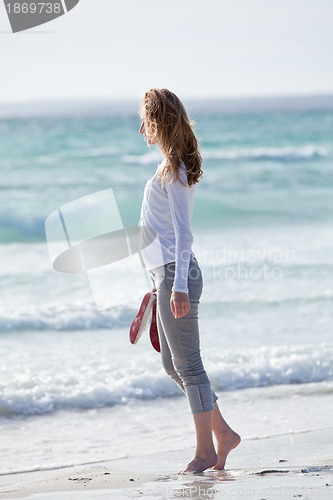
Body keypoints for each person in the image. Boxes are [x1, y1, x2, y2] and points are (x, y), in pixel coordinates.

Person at [138, 88, 240, 474]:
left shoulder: (175, 169)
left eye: (144, 119)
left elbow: (183, 234)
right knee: (172, 365)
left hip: (177, 276)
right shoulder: (168, 166)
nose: (141, 128)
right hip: (164, 277)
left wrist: (177, 285)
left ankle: (206, 452)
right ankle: (224, 434)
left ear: (156, 121)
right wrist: (156, 284)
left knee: (189, 367)